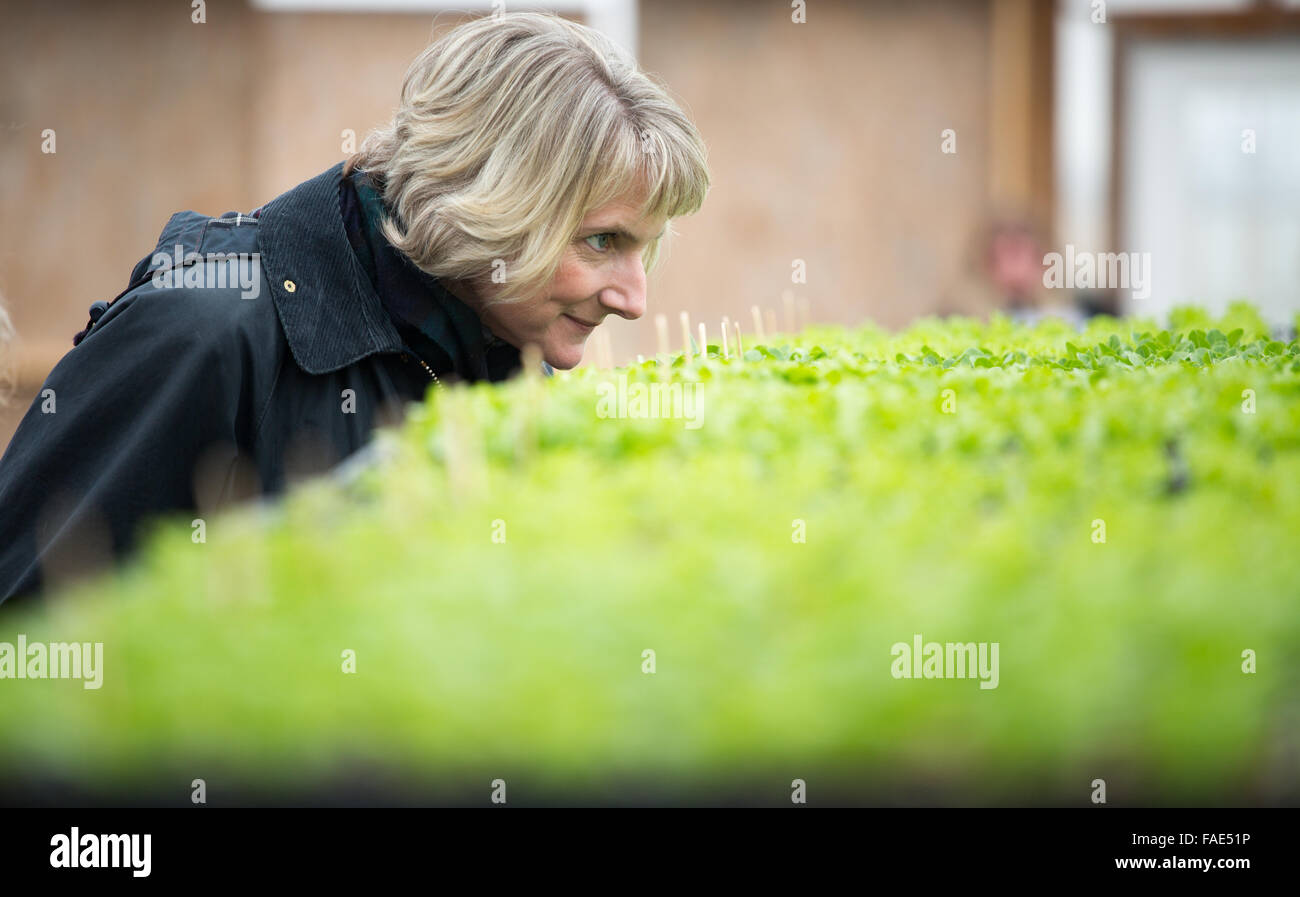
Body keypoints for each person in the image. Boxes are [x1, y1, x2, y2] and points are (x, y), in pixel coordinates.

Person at [0, 11, 711, 608]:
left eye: (642, 249)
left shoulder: (503, 348)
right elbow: (24, 640)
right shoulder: (203, 336)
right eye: (602, 240)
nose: (634, 299)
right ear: (490, 202)